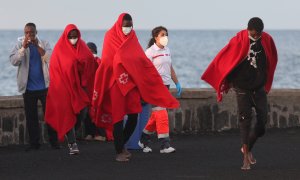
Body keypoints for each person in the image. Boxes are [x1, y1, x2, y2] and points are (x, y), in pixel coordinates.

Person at [92, 13, 179, 162]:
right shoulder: (110, 36)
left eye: (130, 25)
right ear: (120, 24)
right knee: (118, 117)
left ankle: (120, 144)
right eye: (125, 25)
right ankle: (119, 151)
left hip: (130, 83)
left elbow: (139, 58)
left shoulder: (132, 37)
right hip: (115, 82)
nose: (128, 28)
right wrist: (122, 63)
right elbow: (107, 60)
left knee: (134, 115)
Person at [201, 17, 278, 170]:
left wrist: (266, 78)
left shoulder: (266, 39)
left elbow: (272, 58)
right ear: (248, 30)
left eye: (259, 34)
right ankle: (245, 159)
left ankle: (247, 148)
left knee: (262, 123)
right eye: (254, 34)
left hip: (259, 87)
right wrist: (226, 81)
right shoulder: (238, 40)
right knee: (245, 120)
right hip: (242, 87)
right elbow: (225, 58)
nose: (256, 37)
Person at [45, 24, 94, 155]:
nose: (73, 39)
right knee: (67, 113)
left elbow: (90, 61)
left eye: (75, 36)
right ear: (66, 36)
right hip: (63, 87)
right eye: (71, 37)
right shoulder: (59, 49)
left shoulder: (82, 46)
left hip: (79, 87)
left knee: (82, 111)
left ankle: (71, 132)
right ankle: (72, 143)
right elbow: (55, 69)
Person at [9, 22, 59, 151]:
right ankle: (34, 144)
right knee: (31, 118)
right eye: (26, 33)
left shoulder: (44, 43)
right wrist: (23, 49)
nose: (29, 35)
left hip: (45, 87)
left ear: (36, 33)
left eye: (31, 32)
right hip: (28, 88)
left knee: (50, 116)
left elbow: (50, 59)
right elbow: (14, 61)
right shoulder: (20, 45)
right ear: (24, 33)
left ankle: (54, 143)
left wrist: (37, 46)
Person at [138, 26, 181, 154]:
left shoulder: (167, 50)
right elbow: (143, 71)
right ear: (156, 37)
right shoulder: (150, 52)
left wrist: (177, 83)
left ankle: (143, 140)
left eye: (166, 34)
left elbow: (170, 67)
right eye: (162, 34)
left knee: (156, 116)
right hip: (155, 87)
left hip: (166, 86)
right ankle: (165, 145)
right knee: (162, 114)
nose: (165, 37)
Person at [84, 42, 106, 141]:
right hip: (87, 90)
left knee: (97, 112)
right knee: (87, 113)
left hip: (97, 90)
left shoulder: (98, 61)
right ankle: (89, 133)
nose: (89, 53)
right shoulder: (84, 61)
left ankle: (99, 134)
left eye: (91, 51)